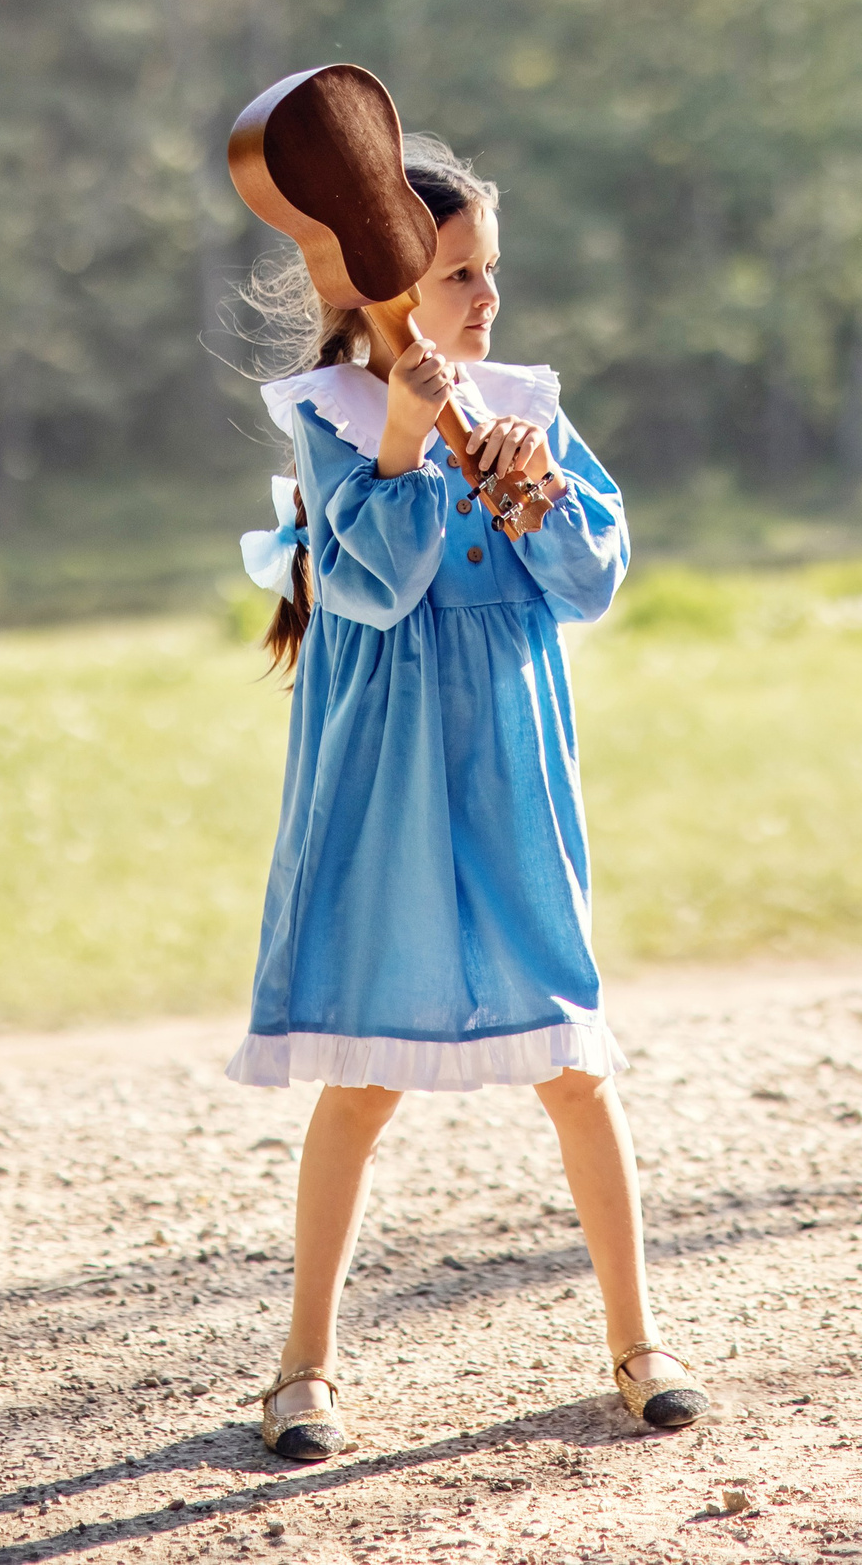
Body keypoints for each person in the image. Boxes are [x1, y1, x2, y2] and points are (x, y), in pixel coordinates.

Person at [224, 136, 708, 1460]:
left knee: (569, 1052)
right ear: (386, 288)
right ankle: (303, 1364)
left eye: (492, 269)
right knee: (371, 1073)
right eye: (458, 274)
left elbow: (591, 574)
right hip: (387, 778)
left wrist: (534, 487)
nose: (486, 298)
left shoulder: (523, 406)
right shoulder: (332, 417)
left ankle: (639, 1336)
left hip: (509, 760)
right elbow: (370, 588)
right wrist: (400, 435)